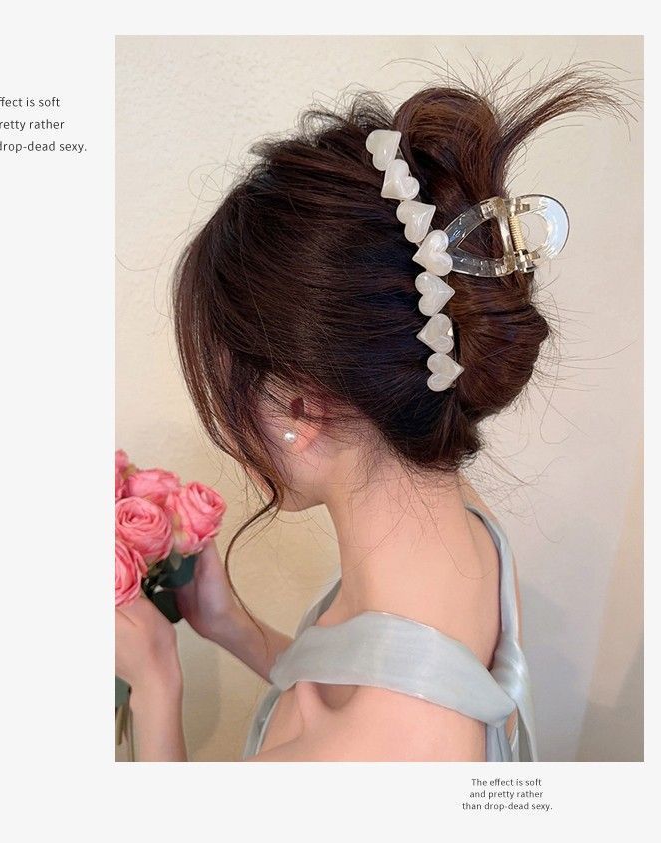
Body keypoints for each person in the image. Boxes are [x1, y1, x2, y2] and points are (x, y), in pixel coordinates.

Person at [115, 63, 628, 761]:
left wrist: (154, 685)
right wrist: (231, 625)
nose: (231, 436)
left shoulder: (364, 758)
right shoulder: (463, 524)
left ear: (302, 408)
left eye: (229, 391)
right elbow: (382, 667)